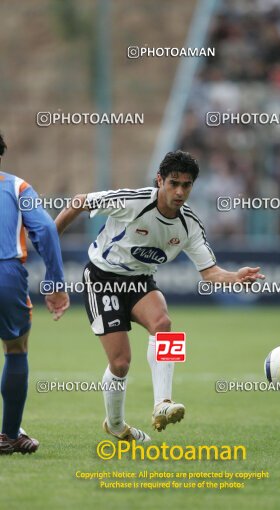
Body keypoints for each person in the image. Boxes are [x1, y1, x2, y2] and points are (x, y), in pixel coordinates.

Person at [55, 150, 264, 442]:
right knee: (120, 363)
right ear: (159, 181)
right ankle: (115, 426)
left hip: (139, 281)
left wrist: (234, 277)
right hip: (102, 279)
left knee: (164, 324)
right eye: (173, 183)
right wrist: (50, 241)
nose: (179, 191)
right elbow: (79, 201)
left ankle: (162, 404)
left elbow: (209, 272)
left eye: (186, 185)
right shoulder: (133, 201)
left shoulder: (189, 224)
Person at [0, 133, 69, 455]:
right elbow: (45, 229)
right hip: (6, 274)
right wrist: (54, 284)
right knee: (15, 350)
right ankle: (8, 434)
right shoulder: (17, 187)